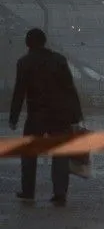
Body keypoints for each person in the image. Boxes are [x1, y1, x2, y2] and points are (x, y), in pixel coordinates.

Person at [9, 28, 83, 205]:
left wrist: (14, 117)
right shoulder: (59, 60)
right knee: (60, 153)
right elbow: (69, 89)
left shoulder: (24, 63)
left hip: (36, 115)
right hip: (60, 114)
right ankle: (59, 193)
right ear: (44, 42)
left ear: (28, 43)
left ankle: (28, 191)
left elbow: (19, 92)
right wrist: (76, 115)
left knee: (29, 152)